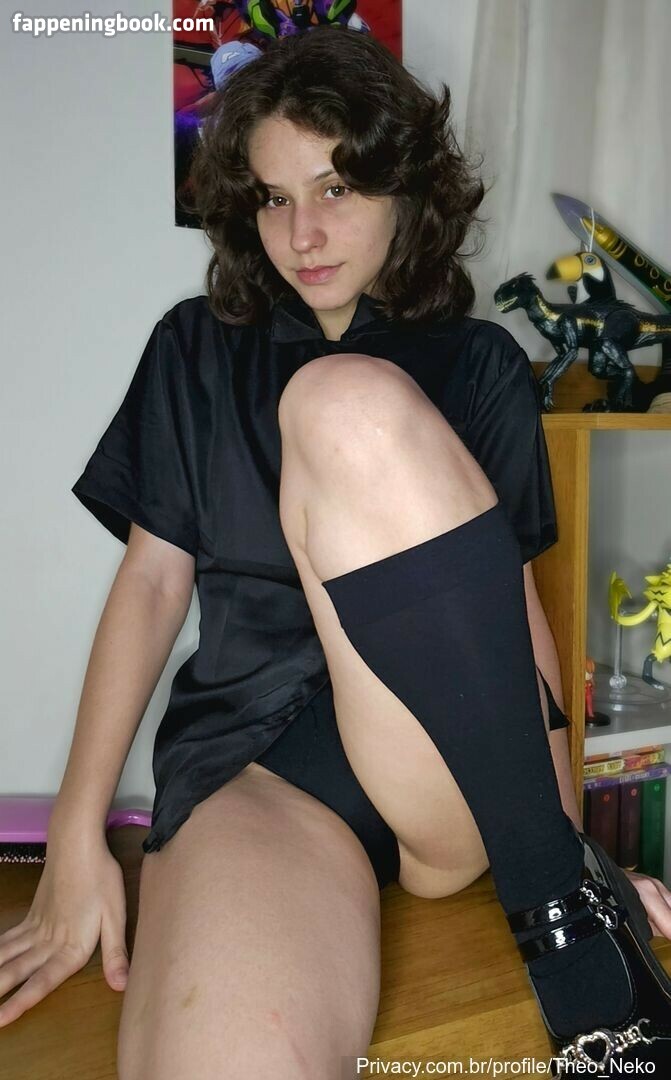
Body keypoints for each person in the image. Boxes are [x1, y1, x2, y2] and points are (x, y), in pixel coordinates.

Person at [1, 24, 671, 1079]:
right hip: (259, 766)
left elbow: (511, 617)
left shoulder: (478, 363)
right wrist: (76, 835)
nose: (301, 233)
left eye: (335, 188)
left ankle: (565, 916)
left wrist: (574, 845)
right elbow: (151, 583)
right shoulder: (193, 348)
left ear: (405, 190)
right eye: (273, 198)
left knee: (342, 403)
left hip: (446, 765)